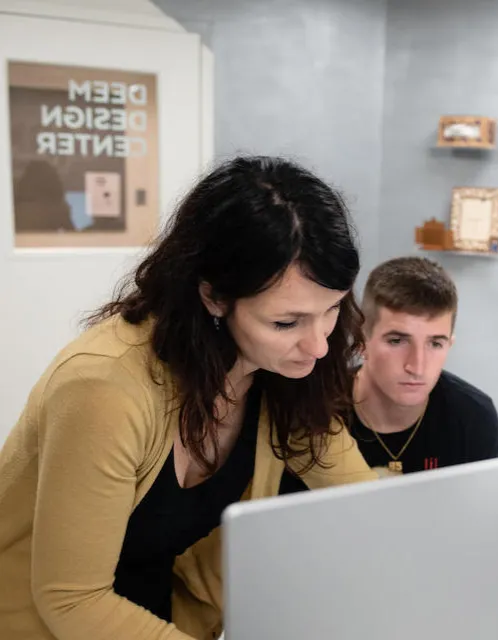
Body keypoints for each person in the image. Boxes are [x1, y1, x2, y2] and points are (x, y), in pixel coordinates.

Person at [0, 156, 377, 640]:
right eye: (286, 322)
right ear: (214, 297)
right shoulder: (103, 389)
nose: (320, 344)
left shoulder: (282, 367)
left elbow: (362, 499)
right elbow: (71, 599)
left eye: (332, 309)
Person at [281, 256, 498, 491]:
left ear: (450, 344)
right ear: (362, 342)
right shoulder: (312, 410)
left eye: (435, 344)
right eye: (397, 341)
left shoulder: (474, 418)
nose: (417, 366)